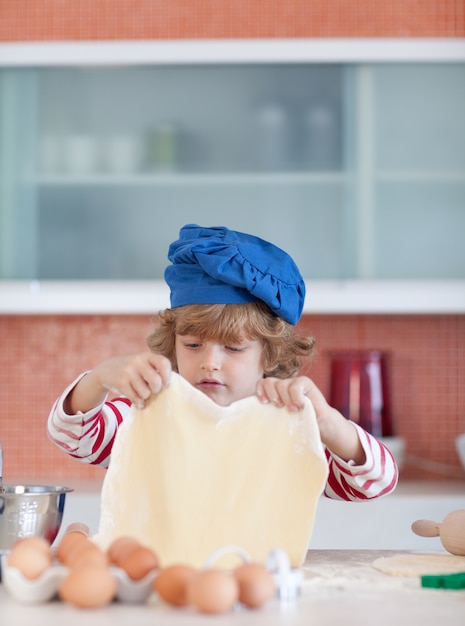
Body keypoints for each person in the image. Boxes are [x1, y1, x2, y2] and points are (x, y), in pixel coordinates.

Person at [47, 224, 398, 501]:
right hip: (163, 584)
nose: (209, 362)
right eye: (193, 344)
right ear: (173, 343)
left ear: (270, 354)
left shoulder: (287, 428)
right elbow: (71, 435)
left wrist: (326, 422)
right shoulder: (145, 413)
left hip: (260, 585)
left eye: (233, 348)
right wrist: (100, 378)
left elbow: (376, 483)